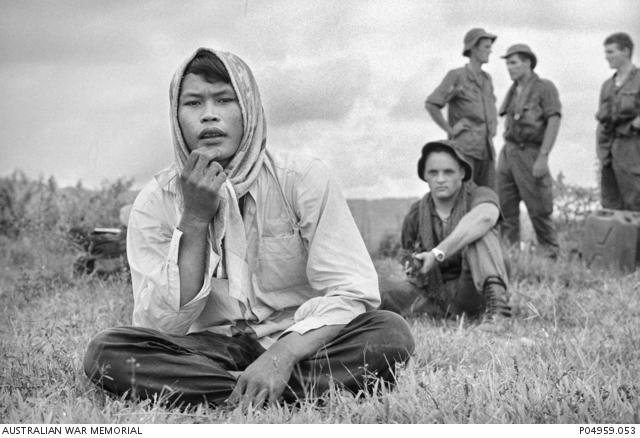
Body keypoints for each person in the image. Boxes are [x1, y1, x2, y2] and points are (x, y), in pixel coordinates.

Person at [83, 48, 415, 408]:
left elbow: (351, 293)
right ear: (176, 117)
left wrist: (280, 356)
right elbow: (158, 326)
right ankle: (270, 391)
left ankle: (229, 390)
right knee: (107, 352)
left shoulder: (301, 179)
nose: (209, 115)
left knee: (390, 332)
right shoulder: (155, 201)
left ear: (249, 109)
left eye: (224, 100)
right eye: (193, 103)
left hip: (297, 339)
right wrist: (194, 218)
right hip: (209, 347)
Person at [379, 140, 511, 320]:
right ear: (425, 175)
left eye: (448, 172)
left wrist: (437, 254)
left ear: (462, 173)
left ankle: (499, 314)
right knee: (377, 290)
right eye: (433, 172)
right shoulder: (417, 212)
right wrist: (415, 265)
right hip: (433, 291)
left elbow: (486, 216)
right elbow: (406, 254)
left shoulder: (479, 195)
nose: (440, 179)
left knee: (480, 234)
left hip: (473, 289)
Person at [496, 44, 562, 254]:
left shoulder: (544, 88)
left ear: (528, 63)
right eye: (507, 64)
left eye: (514, 63)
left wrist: (543, 156)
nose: (509, 68)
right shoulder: (513, 91)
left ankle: (550, 256)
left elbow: (554, 120)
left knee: (539, 209)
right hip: (509, 152)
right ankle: (510, 257)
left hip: (531, 152)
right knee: (505, 208)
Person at [425, 28, 499, 188]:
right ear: (473, 48)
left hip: (487, 150)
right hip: (464, 150)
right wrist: (450, 130)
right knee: (463, 197)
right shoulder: (456, 76)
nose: (490, 51)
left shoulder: (487, 80)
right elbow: (432, 104)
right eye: (486, 47)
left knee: (488, 199)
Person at [596, 32, 640, 211]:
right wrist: (601, 152)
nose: (607, 57)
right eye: (606, 52)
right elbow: (601, 120)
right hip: (609, 150)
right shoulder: (607, 85)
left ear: (626, 51)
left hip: (633, 149)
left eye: (611, 52)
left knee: (635, 202)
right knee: (610, 205)